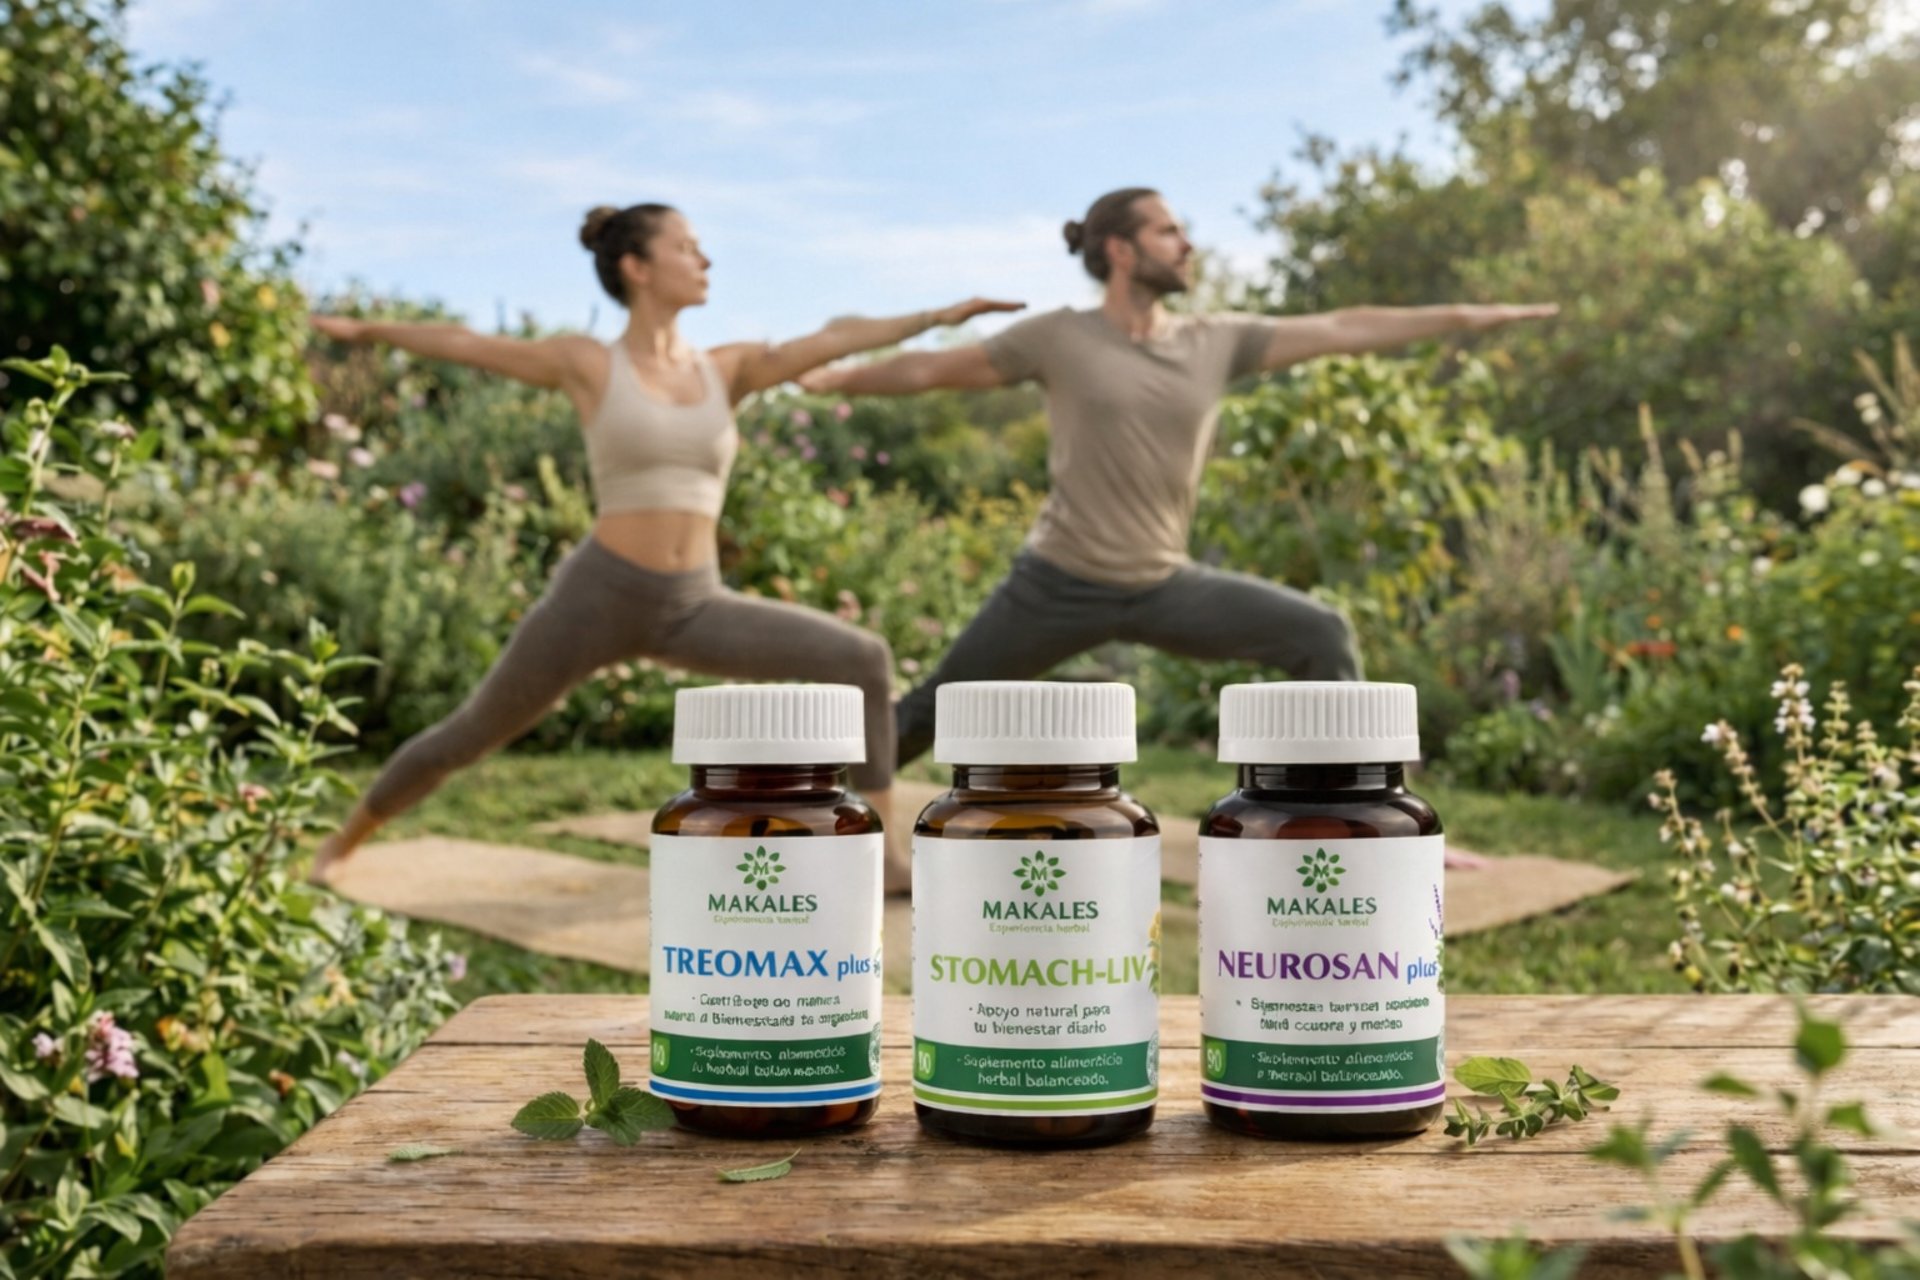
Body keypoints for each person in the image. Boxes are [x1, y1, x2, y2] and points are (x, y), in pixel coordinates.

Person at [803, 187, 1557, 869]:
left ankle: (1367, 822)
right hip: (1057, 582)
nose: (1187, 243)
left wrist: (1465, 317)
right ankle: (811, 818)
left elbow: (1339, 327)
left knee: (1320, 633)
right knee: (928, 711)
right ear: (1121, 250)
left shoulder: (1214, 340)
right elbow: (932, 371)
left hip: (1164, 583)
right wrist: (836, 378)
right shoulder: (1057, 338)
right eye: (1168, 231)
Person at [306, 201, 1020, 892]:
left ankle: (884, 859)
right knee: (470, 734)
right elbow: (468, 345)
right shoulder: (589, 364)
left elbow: (833, 338)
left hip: (694, 605)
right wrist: (365, 329)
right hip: (597, 597)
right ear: (636, 266)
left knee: (860, 657)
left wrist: (937, 317)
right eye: (685, 247)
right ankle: (341, 843)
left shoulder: (727, 369)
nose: (704, 259)